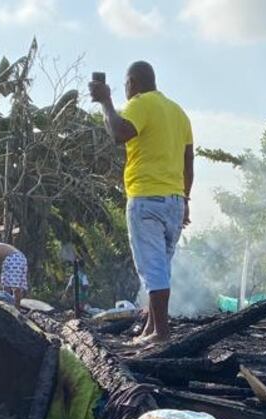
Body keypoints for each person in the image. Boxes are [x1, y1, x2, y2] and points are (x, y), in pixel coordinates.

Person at [89, 61, 193, 346]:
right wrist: (185, 199)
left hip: (147, 199)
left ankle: (161, 332)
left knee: (153, 269)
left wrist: (106, 101)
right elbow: (188, 161)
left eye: (125, 85)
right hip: (174, 201)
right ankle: (150, 327)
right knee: (160, 266)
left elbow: (118, 133)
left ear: (132, 83)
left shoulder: (140, 103)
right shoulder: (178, 112)